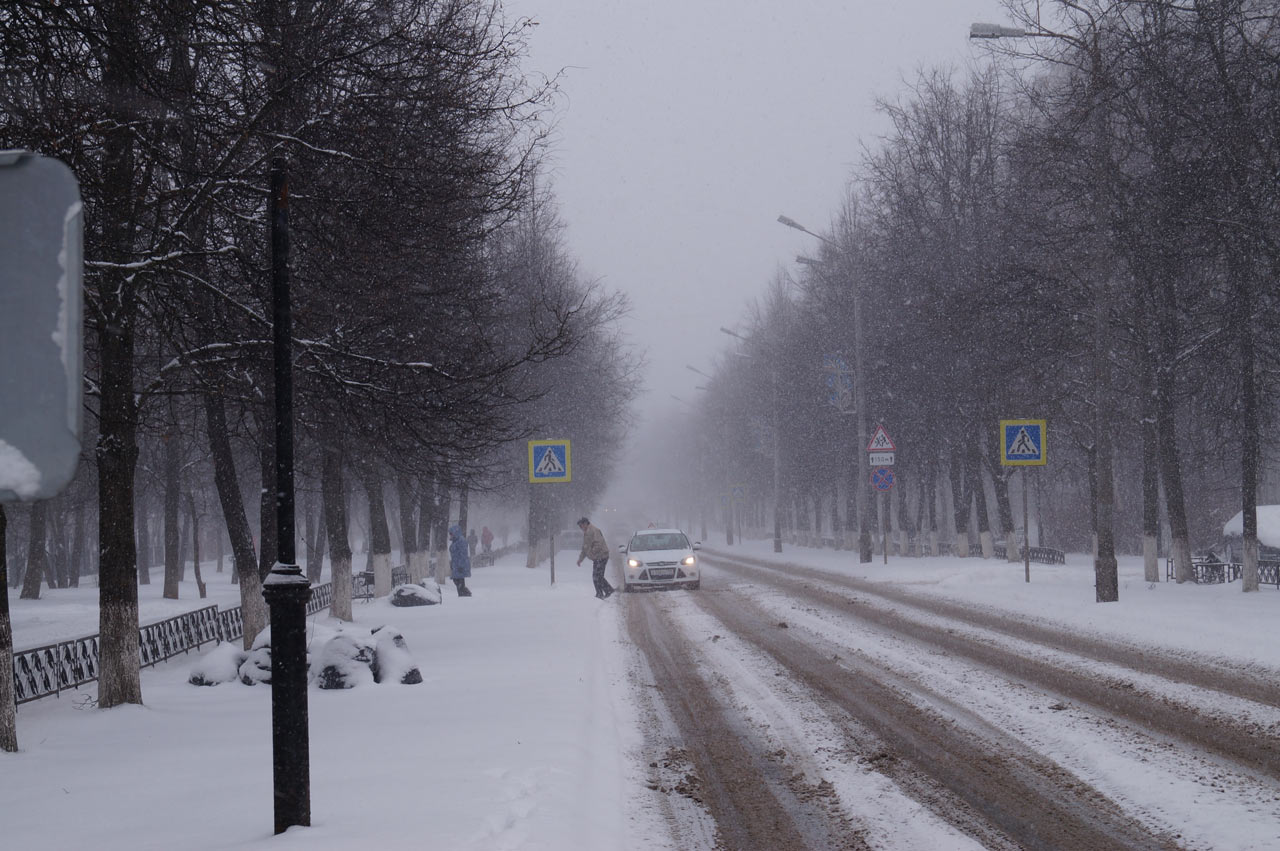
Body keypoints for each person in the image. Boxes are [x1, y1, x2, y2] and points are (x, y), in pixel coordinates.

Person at [576, 516, 614, 599]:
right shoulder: (587, 532)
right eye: (579, 526)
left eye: (581, 526)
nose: (580, 528)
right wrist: (580, 559)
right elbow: (585, 548)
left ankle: (601, 593)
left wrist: (592, 553)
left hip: (602, 556)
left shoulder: (593, 530)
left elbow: (598, 544)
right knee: (597, 576)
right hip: (597, 557)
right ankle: (607, 591)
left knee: (597, 576)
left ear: (585, 524)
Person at [449, 524, 472, 596]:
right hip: (456, 565)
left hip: (460, 565)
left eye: (451, 534)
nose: (450, 535)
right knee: (457, 580)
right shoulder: (455, 541)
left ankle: (464, 595)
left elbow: (463, 555)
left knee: (459, 581)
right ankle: (463, 594)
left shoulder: (461, 541)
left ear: (455, 533)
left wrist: (461, 565)